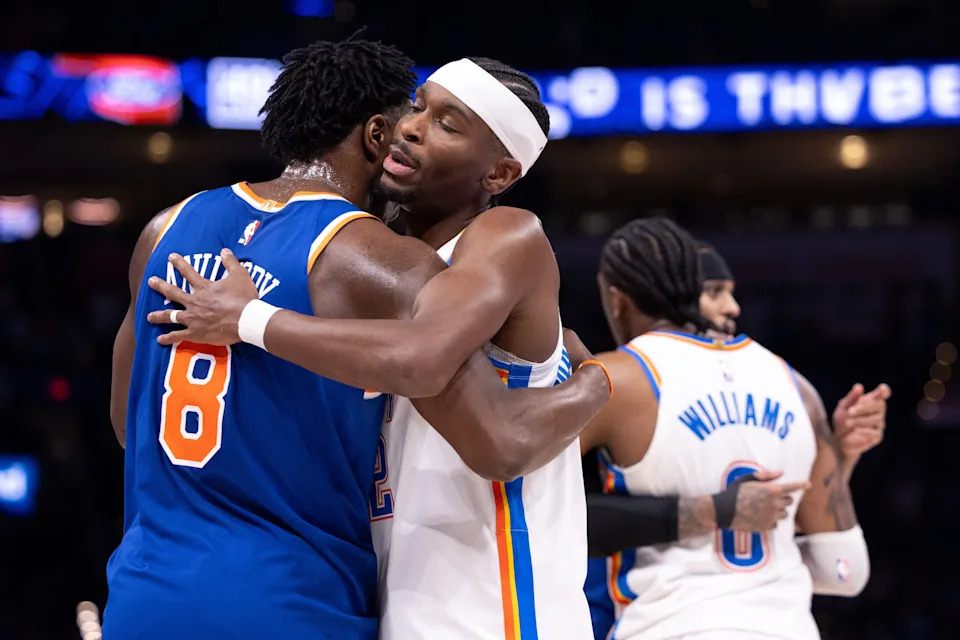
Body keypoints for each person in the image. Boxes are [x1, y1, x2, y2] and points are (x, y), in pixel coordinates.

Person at [107, 38, 608, 640]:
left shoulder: (168, 226)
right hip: (318, 596)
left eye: (443, 123)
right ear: (376, 132)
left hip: (483, 609)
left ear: (499, 173)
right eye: (416, 107)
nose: (413, 129)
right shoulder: (389, 264)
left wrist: (604, 379)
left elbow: (128, 423)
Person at [576, 217, 872, 640]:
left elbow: (542, 517)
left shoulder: (615, 377)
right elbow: (845, 570)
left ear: (617, 301)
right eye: (718, 291)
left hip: (671, 627)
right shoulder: (797, 386)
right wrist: (773, 552)